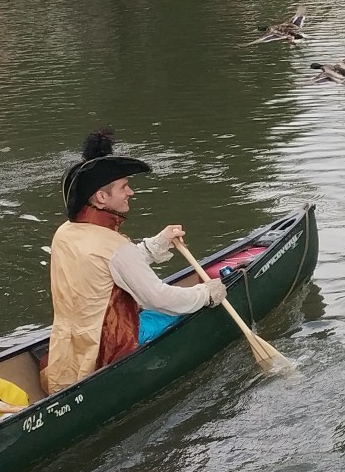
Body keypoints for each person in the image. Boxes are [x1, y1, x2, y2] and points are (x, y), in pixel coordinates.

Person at [45, 130, 226, 394]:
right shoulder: (116, 247)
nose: (131, 192)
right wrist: (205, 294)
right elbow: (159, 298)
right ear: (101, 197)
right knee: (182, 309)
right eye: (123, 186)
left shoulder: (65, 233)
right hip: (109, 347)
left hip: (70, 349)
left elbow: (109, 270)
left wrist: (157, 244)